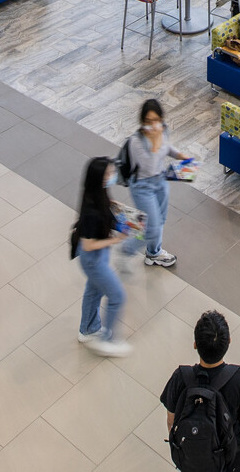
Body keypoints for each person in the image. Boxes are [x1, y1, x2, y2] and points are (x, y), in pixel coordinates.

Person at [162, 311, 240, 472]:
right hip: (229, 457)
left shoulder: (180, 377)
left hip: (191, 458)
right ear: (228, 342)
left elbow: (171, 420)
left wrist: (186, 445)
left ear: (195, 344)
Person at [118, 99, 186, 269]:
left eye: (156, 120)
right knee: (152, 228)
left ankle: (153, 253)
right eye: (148, 122)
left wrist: (179, 155)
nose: (153, 125)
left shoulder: (163, 131)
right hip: (143, 187)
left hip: (161, 181)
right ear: (142, 122)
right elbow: (148, 167)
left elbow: (166, 147)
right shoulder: (136, 142)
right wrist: (155, 142)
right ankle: (127, 248)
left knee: (160, 220)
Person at [73, 155, 131, 356]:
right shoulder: (91, 209)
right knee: (117, 296)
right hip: (93, 259)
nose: (112, 176)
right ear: (98, 177)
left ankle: (87, 330)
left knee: (93, 291)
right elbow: (87, 245)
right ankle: (108, 339)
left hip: (99, 256)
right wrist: (115, 241)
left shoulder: (98, 193)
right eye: (108, 173)